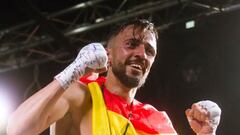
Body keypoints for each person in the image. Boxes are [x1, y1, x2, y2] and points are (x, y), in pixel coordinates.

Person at [7, 19, 221, 135]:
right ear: (108, 53)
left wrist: (206, 134)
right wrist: (72, 71)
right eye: (131, 44)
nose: (141, 54)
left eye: (149, 51)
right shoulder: (81, 96)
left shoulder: (157, 120)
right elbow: (18, 129)